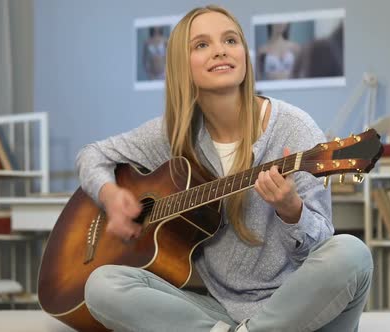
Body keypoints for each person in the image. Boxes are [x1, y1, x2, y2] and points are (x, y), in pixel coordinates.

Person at [77, 5, 372, 332]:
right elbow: (92, 155)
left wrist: (293, 212)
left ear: (244, 55)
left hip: (296, 307)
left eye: (230, 40)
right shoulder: (174, 134)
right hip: (217, 307)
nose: (220, 50)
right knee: (103, 284)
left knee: (351, 253)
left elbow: (320, 250)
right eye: (202, 45)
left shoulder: (295, 129)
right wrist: (110, 195)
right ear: (180, 66)